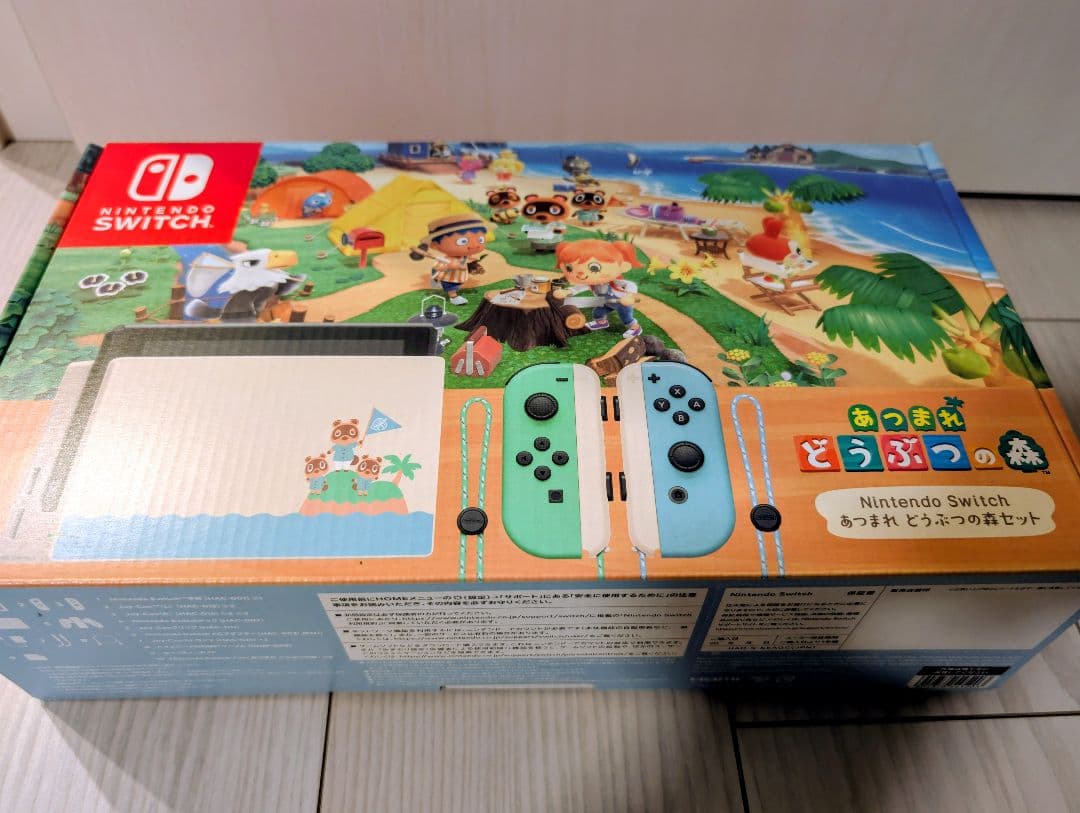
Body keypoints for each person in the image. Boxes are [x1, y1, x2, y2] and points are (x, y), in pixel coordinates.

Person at [552, 239, 643, 338]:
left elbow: (630, 284)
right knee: (597, 313)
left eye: (594, 268)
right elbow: (578, 288)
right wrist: (567, 291)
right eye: (569, 268)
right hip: (605, 302)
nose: (581, 274)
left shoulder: (613, 282)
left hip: (621, 303)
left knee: (626, 318)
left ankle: (635, 327)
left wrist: (629, 296)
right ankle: (601, 322)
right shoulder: (592, 283)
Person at [419, 214, 488, 305]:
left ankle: (454, 293)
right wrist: (448, 266)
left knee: (457, 284)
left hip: (459, 276)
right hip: (449, 278)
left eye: (480, 240)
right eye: (463, 241)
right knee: (451, 287)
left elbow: (466, 260)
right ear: (435, 245)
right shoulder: (446, 259)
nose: (474, 245)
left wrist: (471, 261)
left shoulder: (464, 255)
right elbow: (438, 267)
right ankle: (453, 297)